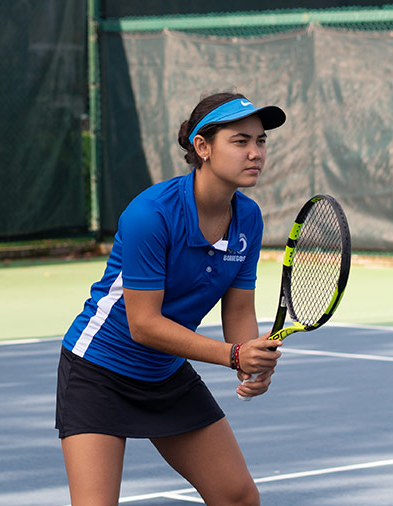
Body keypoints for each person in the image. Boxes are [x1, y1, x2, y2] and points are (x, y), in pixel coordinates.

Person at [56, 91, 286, 505]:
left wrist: (250, 356)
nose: (255, 153)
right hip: (99, 372)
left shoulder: (247, 217)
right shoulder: (152, 214)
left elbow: (238, 308)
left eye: (261, 141)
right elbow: (143, 325)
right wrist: (233, 355)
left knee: (237, 497)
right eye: (240, 141)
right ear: (203, 148)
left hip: (164, 373)